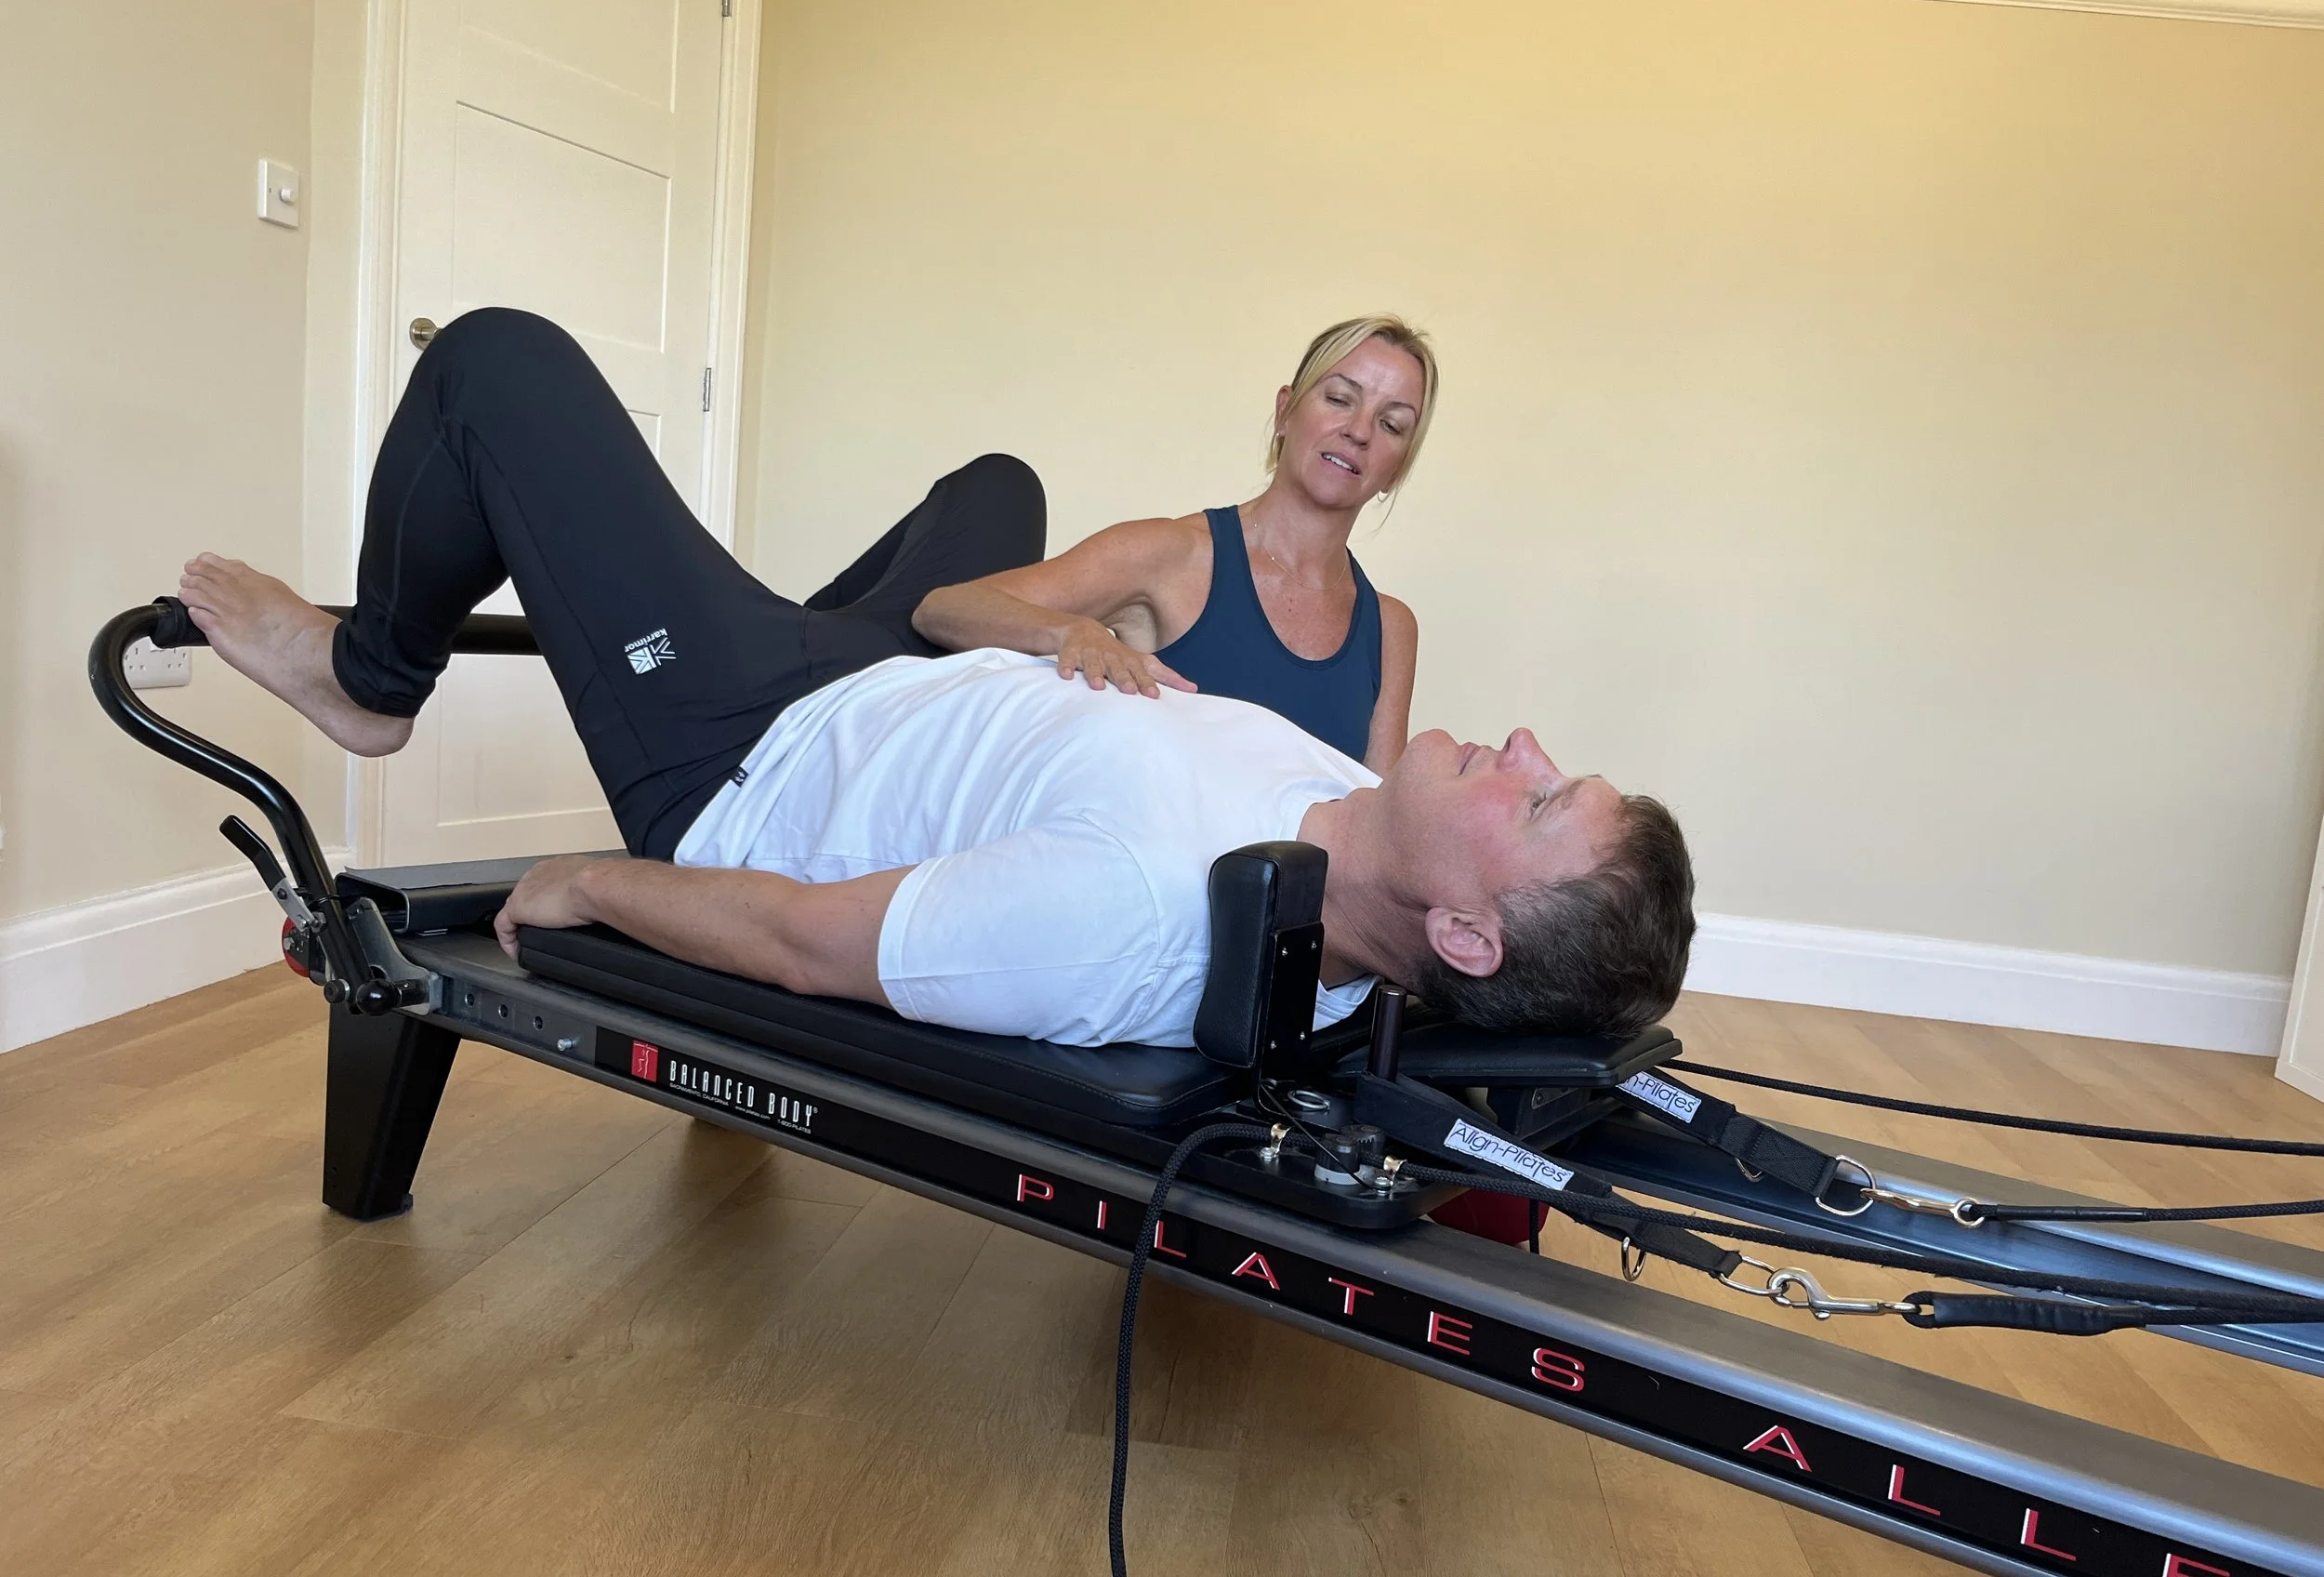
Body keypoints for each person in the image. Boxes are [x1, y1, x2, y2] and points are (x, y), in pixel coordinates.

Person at [177, 308, 1693, 1051]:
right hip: (885, 684)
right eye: (1341, 397)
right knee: (998, 488)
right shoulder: (1361, 816)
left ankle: (371, 676)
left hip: (748, 751)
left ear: (1472, 936)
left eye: (1540, 794)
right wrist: (1051, 640)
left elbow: (800, 941)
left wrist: (587, 880)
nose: (1525, 739)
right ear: (1291, 408)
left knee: (495, 365)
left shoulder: (1134, 918)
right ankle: (734, 612)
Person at [911, 316, 1433, 772]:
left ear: (1397, 469)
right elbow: (943, 609)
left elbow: (1373, 818)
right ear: (1285, 412)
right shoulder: (1172, 554)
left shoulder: (1390, 629)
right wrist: (1072, 631)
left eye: (1391, 424)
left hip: (1293, 887)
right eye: (1339, 399)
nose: (1359, 431)